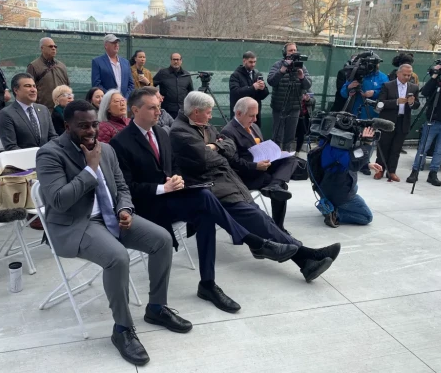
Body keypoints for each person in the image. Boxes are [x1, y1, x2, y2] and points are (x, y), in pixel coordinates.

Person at [110, 87, 302, 313]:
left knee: (205, 204)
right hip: (148, 206)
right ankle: (254, 243)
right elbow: (126, 188)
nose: (158, 112)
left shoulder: (161, 133)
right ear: (135, 110)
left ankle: (208, 284)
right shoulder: (120, 143)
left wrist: (177, 179)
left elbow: (174, 166)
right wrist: (163, 187)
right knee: (204, 201)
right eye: (152, 108)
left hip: (172, 196)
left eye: (159, 107)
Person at [36, 99, 192, 366]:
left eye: (94, 124)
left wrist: (125, 210)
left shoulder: (106, 149)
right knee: (118, 257)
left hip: (112, 217)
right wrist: (91, 168)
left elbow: (121, 187)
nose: (90, 131)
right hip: (76, 224)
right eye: (82, 126)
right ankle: (122, 329)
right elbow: (59, 201)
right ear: (66, 125)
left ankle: (156, 307)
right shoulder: (50, 153)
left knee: (163, 240)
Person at [170, 91, 341, 283]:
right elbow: (208, 158)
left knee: (263, 220)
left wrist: (216, 147)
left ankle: (306, 260)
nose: (211, 116)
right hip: (211, 189)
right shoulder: (180, 132)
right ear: (195, 112)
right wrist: (218, 149)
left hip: (228, 182)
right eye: (208, 112)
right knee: (260, 220)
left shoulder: (204, 125)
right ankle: (307, 255)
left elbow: (227, 147)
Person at [221, 97, 297, 231]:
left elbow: (260, 147)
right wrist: (255, 166)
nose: (255, 119)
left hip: (263, 165)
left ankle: (274, 185)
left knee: (291, 159)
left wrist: (277, 153)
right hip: (247, 173)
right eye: (251, 115)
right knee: (282, 187)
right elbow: (233, 161)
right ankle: (278, 228)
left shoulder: (253, 126)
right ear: (239, 113)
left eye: (256, 115)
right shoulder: (228, 132)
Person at [318, 127, 382, 228]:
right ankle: (334, 213)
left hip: (325, 187)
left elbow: (345, 161)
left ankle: (329, 204)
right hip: (340, 193)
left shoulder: (325, 142)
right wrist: (367, 143)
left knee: (355, 191)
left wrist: (367, 165)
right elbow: (354, 164)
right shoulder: (339, 148)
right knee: (366, 217)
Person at [406, 63, 441, 187]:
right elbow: (426, 92)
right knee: (423, 148)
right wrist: (434, 76)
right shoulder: (438, 82)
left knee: (439, 151)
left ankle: (433, 173)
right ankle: (415, 171)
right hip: (432, 121)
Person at [340, 53, 388, 175]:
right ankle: (352, 160)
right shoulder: (355, 75)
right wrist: (349, 87)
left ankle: (365, 163)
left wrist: (374, 93)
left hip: (371, 114)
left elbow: (386, 93)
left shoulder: (382, 78)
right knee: (352, 138)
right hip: (354, 113)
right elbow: (343, 93)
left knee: (369, 140)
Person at [375, 64, 420, 181]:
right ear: (398, 74)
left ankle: (391, 171)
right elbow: (380, 103)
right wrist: (396, 102)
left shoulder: (413, 88)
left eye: (409, 75)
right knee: (383, 146)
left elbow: (417, 105)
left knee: (396, 148)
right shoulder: (387, 86)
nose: (407, 77)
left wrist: (411, 103)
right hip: (387, 121)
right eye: (404, 74)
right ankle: (379, 169)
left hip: (403, 121)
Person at [268, 42, 312, 151]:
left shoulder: (302, 67)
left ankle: (286, 157)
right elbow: (271, 81)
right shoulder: (278, 65)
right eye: (290, 50)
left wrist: (302, 77)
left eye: (294, 50)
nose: (293, 52)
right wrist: (282, 71)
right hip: (279, 106)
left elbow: (308, 85)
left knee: (290, 136)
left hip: (294, 108)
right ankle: (275, 157)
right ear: (285, 53)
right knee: (277, 136)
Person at [0, 73, 58, 151]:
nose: (33, 90)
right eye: (28, 86)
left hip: (47, 159)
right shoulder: (6, 114)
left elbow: (53, 137)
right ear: (16, 90)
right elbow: (11, 147)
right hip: (22, 160)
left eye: (34, 86)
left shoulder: (43, 110)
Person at [26, 37, 69, 112]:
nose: (53, 48)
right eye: (50, 46)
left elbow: (67, 86)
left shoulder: (61, 66)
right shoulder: (34, 66)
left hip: (62, 110)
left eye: (55, 46)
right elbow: (28, 89)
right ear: (42, 48)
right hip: (43, 110)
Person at [229, 51, 269, 128]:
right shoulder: (235, 75)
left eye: (254, 62)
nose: (253, 64)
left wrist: (263, 88)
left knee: (254, 136)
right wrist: (252, 88)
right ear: (244, 61)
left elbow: (263, 95)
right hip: (242, 113)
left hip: (254, 113)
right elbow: (235, 92)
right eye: (250, 62)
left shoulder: (257, 74)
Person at [91, 34, 134, 99]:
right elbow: (96, 85)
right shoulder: (97, 62)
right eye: (113, 43)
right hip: (107, 102)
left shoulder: (126, 62)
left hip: (124, 102)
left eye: (117, 43)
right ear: (106, 45)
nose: (116, 45)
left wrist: (125, 99)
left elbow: (131, 85)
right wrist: (111, 97)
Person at [153, 53, 193, 119]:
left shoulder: (186, 75)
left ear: (181, 61)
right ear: (171, 61)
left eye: (178, 59)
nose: (176, 61)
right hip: (167, 110)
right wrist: (157, 95)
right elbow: (152, 85)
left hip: (183, 110)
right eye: (174, 59)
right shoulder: (162, 73)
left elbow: (190, 92)